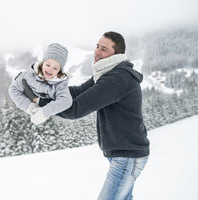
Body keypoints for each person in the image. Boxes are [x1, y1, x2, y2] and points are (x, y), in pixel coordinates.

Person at [23, 31, 150, 200]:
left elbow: (76, 108)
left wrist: (38, 101)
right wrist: (46, 90)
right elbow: (77, 92)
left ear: (117, 54)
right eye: (97, 46)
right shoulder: (107, 73)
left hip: (127, 157)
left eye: (104, 49)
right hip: (123, 155)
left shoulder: (118, 78)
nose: (97, 52)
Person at [8, 43, 72, 125]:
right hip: (26, 113)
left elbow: (66, 101)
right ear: (42, 63)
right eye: (48, 64)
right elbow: (13, 89)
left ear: (59, 71)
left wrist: (45, 112)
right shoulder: (28, 76)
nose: (50, 69)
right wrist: (28, 106)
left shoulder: (59, 84)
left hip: (50, 119)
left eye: (55, 68)